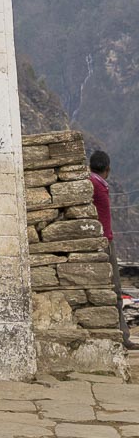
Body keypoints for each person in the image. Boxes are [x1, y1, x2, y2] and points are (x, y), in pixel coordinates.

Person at [89, 149, 138, 350]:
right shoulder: (99, 185)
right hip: (105, 242)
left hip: (94, 241)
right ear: (108, 169)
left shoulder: (89, 182)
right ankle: (122, 336)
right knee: (115, 291)